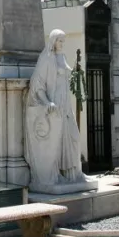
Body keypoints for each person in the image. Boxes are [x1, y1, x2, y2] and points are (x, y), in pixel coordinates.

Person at [24, 30, 84, 188]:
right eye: (59, 41)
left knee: (73, 137)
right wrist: (47, 102)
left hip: (66, 104)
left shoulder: (62, 57)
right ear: (53, 41)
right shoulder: (47, 59)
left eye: (63, 41)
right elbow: (38, 85)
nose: (62, 44)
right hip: (55, 104)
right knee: (56, 141)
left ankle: (73, 172)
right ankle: (55, 174)